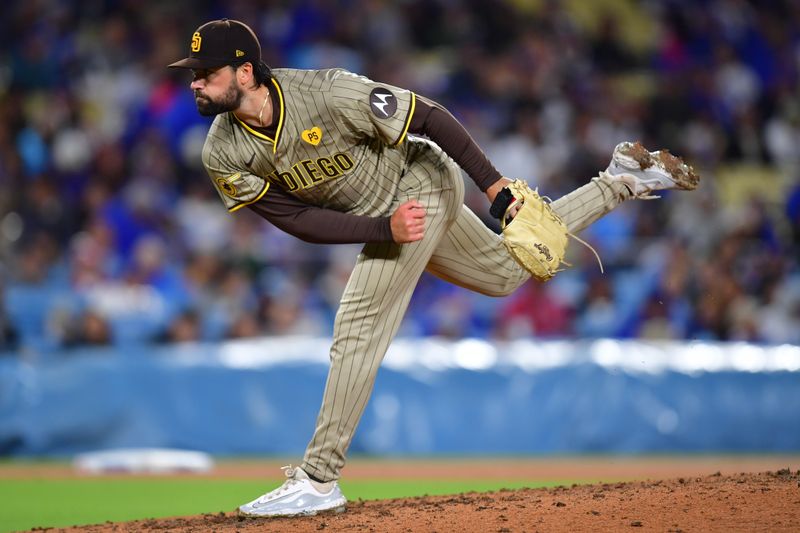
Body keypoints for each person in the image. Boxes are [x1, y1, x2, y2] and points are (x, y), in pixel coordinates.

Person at [168, 19, 698, 517]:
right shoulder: (223, 149)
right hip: (387, 216)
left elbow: (427, 115)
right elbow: (299, 219)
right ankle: (623, 180)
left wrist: (494, 188)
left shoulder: (325, 91)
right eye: (193, 75)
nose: (195, 84)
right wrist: (382, 230)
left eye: (204, 74)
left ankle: (317, 480)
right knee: (503, 274)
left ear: (244, 73)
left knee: (357, 322)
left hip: (421, 180)